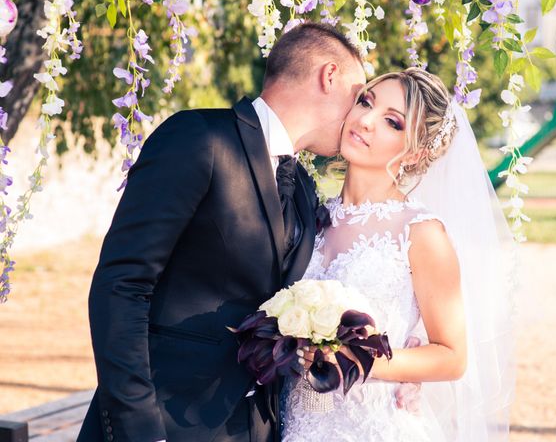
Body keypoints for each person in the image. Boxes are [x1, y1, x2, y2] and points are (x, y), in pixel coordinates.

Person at [77, 22, 367, 442]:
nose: (359, 114)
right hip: (162, 423)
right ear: (329, 75)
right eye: (359, 97)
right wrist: (136, 425)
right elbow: (122, 284)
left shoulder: (303, 188)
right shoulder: (199, 138)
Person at [284, 68, 516, 441]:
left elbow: (452, 356)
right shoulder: (307, 215)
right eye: (365, 102)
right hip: (295, 421)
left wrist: (358, 359)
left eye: (392, 122)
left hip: (370, 428)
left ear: (416, 153)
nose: (365, 121)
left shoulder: (422, 233)